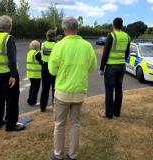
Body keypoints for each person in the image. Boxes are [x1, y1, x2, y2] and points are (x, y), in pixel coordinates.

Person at [48, 16, 97, 160]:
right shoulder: (87, 46)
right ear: (77, 28)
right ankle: (73, 155)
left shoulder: (59, 45)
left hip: (62, 92)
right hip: (79, 91)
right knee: (75, 123)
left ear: (64, 29)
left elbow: (52, 70)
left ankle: (58, 154)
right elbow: (92, 65)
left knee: (59, 124)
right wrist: (81, 73)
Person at [99, 17, 130, 119]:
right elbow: (127, 54)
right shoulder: (127, 37)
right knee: (118, 90)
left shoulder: (111, 35)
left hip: (111, 67)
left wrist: (101, 68)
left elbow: (105, 53)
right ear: (122, 25)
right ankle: (117, 113)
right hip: (122, 66)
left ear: (113, 25)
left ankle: (108, 114)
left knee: (109, 90)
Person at [40, 30, 56, 112]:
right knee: (55, 88)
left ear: (47, 36)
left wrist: (41, 63)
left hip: (44, 68)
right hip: (54, 68)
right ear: (54, 36)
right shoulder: (56, 44)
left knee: (45, 88)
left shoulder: (42, 44)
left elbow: (39, 55)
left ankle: (42, 107)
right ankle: (55, 107)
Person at [26, 40, 42, 106]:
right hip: (36, 74)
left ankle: (29, 100)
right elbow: (41, 62)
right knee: (35, 88)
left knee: (32, 87)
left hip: (30, 73)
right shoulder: (37, 53)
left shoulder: (29, 52)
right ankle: (33, 102)